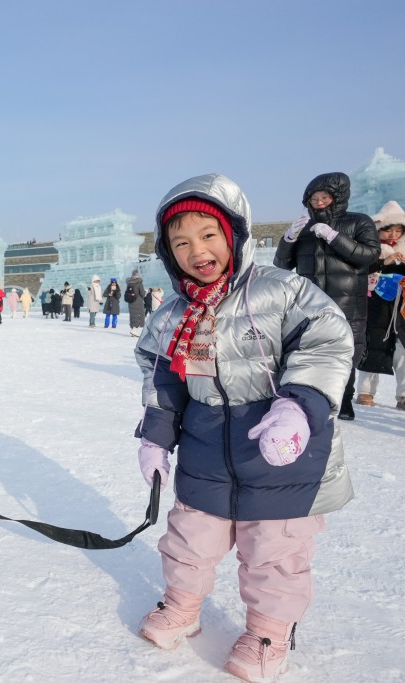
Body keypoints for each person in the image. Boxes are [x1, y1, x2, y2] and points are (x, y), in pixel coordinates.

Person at [134, 174, 353, 682]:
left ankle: (270, 630)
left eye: (208, 235)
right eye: (180, 242)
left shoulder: (282, 291)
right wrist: (155, 437)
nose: (197, 250)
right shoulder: (171, 316)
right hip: (207, 448)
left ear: (234, 234)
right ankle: (183, 605)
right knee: (190, 537)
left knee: (274, 551)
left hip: (280, 448)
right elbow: (162, 378)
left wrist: (298, 406)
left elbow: (326, 340)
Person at [273, 172, 381, 420]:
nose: (319, 202)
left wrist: (335, 237)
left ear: (338, 197)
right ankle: (308, 395)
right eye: (314, 199)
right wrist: (288, 239)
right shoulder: (306, 229)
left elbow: (369, 255)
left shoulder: (359, 222)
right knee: (307, 347)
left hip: (348, 299)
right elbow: (282, 265)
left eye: (324, 197)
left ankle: (344, 398)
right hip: (310, 302)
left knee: (347, 349)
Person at [356, 200, 405, 410]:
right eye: (388, 230)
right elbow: (360, 270)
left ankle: (403, 395)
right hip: (376, 306)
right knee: (373, 345)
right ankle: (365, 391)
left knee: (402, 351)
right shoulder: (371, 248)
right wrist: (384, 262)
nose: (393, 235)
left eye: (398, 230)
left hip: (401, 307)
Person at [126, 268, 148, 337]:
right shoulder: (139, 283)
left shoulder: (129, 283)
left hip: (131, 301)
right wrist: (145, 292)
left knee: (133, 315)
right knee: (138, 315)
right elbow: (142, 293)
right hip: (138, 301)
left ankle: (133, 328)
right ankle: (134, 330)